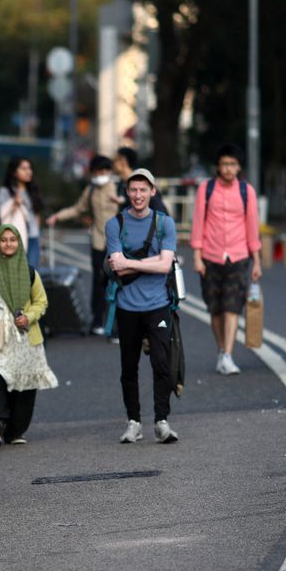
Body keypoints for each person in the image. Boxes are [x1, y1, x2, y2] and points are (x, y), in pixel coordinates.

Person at [105, 169, 180, 444]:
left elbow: (165, 265)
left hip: (158, 304)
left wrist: (131, 263)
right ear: (127, 192)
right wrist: (151, 263)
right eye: (133, 190)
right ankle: (133, 422)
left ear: (153, 192)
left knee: (162, 363)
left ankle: (162, 420)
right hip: (127, 306)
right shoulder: (115, 224)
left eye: (143, 190)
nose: (138, 195)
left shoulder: (165, 223)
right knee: (129, 366)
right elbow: (116, 266)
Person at [0, 224, 58, 446]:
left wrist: (29, 316)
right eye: (3, 240)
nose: (8, 244)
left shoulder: (30, 272)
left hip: (24, 337)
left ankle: (15, 430)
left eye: (13, 239)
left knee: (24, 384)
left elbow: (41, 301)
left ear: (19, 243)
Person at [190, 144, 262, 375]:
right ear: (218, 166)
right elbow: (198, 222)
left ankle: (228, 355)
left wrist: (257, 260)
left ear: (239, 166)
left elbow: (252, 227)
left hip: (239, 257)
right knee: (215, 309)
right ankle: (221, 350)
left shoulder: (246, 191)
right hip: (210, 256)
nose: (228, 169)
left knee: (232, 307)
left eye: (232, 164)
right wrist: (197, 256)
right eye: (224, 164)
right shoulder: (206, 189)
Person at [46, 155, 121, 335]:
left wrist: (121, 201)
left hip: (118, 241)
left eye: (105, 171)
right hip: (98, 240)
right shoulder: (91, 190)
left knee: (119, 280)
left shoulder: (118, 188)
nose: (102, 175)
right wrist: (57, 216)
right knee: (98, 280)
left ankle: (117, 321)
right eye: (98, 171)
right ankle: (97, 319)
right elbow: (77, 209)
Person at [0, 157, 44, 268]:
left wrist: (39, 242)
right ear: (14, 172)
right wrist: (14, 204)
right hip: (13, 239)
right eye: (23, 168)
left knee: (32, 272)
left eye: (29, 168)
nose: (28, 171)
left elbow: (36, 215)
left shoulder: (33, 191)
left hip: (33, 237)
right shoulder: (5, 191)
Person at [114, 147, 169, 215]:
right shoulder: (121, 184)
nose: (113, 163)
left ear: (123, 161)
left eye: (116, 160)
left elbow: (160, 210)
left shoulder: (143, 183)